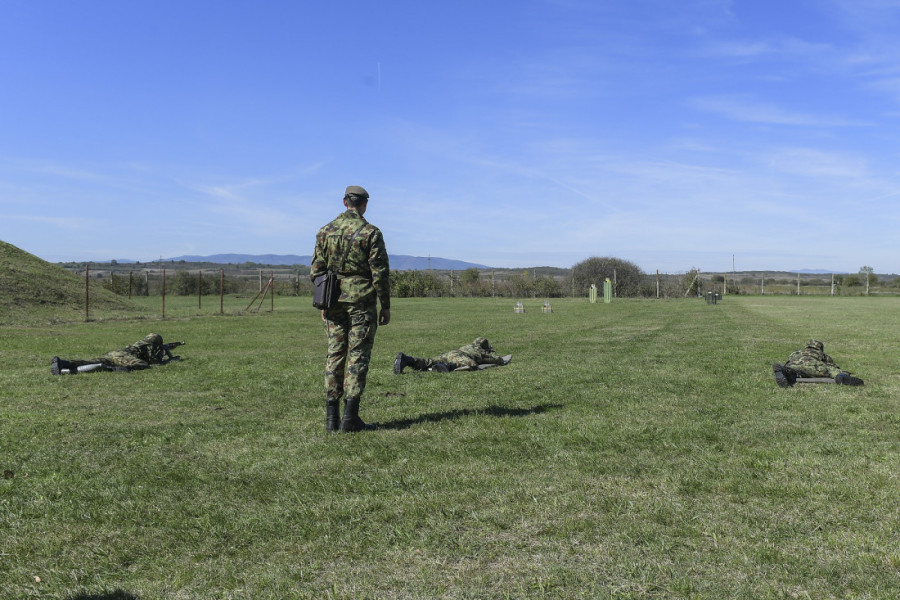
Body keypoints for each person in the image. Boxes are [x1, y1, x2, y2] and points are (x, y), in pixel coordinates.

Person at [310, 185, 391, 433]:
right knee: (358, 356)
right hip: (361, 302)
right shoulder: (371, 232)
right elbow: (380, 273)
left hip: (333, 300)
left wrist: (324, 302)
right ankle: (350, 419)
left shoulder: (324, 231)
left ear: (345, 202)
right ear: (364, 204)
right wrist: (385, 305)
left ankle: (331, 420)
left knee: (334, 355)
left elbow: (316, 271)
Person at [51, 333, 182, 374]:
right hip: (123, 356)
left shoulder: (143, 344)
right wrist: (165, 358)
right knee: (142, 365)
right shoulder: (148, 347)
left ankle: (63, 363)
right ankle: (117, 369)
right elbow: (151, 361)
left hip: (114, 353)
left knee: (91, 362)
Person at [773, 339, 864, 387]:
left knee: (789, 368)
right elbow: (831, 364)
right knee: (836, 371)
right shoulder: (821, 354)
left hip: (795, 366)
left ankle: (784, 371)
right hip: (815, 367)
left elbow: (790, 358)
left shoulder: (798, 352)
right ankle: (842, 377)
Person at [393, 337, 512, 374]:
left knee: (428, 361)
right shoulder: (480, 351)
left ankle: (406, 359)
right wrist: (499, 358)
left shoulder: (468, 346)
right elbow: (496, 360)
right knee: (472, 364)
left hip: (450, 353)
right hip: (459, 356)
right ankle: (445, 367)